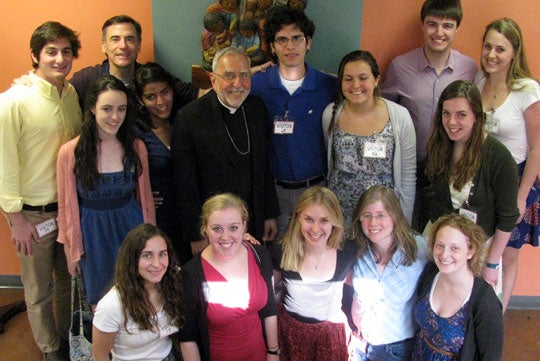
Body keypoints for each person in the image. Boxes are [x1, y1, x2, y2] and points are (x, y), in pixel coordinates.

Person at [0, 21, 81, 361]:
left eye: (65, 51)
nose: (59, 59)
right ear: (35, 55)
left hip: (68, 209)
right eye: (51, 52)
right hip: (32, 215)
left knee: (67, 283)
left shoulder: (71, 93)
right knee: (37, 291)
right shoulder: (12, 101)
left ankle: (65, 341)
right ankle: (50, 351)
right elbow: (4, 162)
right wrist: (15, 218)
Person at [57, 75, 155, 306]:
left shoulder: (136, 147)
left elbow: (145, 198)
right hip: (93, 235)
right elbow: (66, 206)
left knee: (138, 295)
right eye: (107, 109)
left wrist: (152, 241)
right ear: (92, 108)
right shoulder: (70, 152)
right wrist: (71, 249)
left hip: (131, 227)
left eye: (121, 109)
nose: (115, 117)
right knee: (101, 302)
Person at [171, 47, 279, 257]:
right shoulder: (190, 117)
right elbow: (184, 184)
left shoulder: (256, 108)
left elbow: (264, 166)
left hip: (252, 220)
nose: (237, 84)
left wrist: (269, 214)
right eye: (229, 76)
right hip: (214, 229)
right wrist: (196, 235)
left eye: (244, 76)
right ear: (213, 80)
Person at [382, 0, 477, 232]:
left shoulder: (470, 69)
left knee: (447, 233)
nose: (439, 32)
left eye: (447, 26)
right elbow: (385, 115)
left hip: (452, 169)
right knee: (408, 230)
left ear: (457, 28)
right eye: (432, 24)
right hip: (411, 168)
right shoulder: (400, 66)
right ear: (422, 26)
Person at [424, 80, 519, 294]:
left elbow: (508, 217)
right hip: (443, 246)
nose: (451, 121)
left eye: (461, 115)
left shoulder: (499, 158)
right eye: (446, 114)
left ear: (477, 116)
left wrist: (492, 263)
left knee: (476, 312)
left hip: (479, 250)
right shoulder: (440, 146)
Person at [251, 7, 337, 235]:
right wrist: (246, 72)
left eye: (297, 38)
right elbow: (215, 92)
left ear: (308, 42)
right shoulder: (256, 84)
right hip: (274, 192)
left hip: (317, 189)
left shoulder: (328, 86)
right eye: (282, 40)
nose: (290, 47)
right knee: (278, 259)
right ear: (271, 46)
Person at [474, 18, 540, 313]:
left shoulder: (528, 90)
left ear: (514, 52)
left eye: (500, 48)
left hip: (516, 181)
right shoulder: (478, 81)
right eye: (487, 46)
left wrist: (521, 195)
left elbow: (537, 148)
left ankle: (497, 316)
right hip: (482, 178)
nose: (491, 54)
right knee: (480, 249)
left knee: (507, 255)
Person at [178, 193, 278, 361]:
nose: (225, 237)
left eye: (233, 228)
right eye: (217, 229)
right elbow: (188, 337)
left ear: (244, 226)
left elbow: (269, 308)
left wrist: (273, 351)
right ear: (205, 228)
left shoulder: (259, 254)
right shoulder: (191, 274)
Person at [322, 50, 416, 230]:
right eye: (348, 79)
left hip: (382, 218)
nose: (356, 85)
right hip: (341, 217)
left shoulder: (399, 116)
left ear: (376, 80)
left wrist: (403, 225)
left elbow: (408, 177)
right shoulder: (330, 115)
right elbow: (330, 165)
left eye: (363, 77)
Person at [270, 186, 356, 361]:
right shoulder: (283, 250)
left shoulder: (347, 252)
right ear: (298, 218)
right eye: (308, 219)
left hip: (331, 333)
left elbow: (357, 292)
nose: (316, 229)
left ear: (335, 221)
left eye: (324, 220)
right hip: (291, 334)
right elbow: (268, 293)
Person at [348, 185, 428, 361]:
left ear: (395, 217)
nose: (373, 223)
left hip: (396, 349)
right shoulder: (357, 250)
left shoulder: (419, 249)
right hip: (361, 344)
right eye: (366, 215)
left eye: (380, 215)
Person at [412, 213, 504, 360]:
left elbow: (490, 356)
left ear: (470, 251)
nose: (444, 255)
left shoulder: (485, 302)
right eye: (440, 245)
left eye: (455, 248)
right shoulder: (430, 273)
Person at [70, 15, 201, 112]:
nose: (123, 46)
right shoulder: (86, 80)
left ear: (139, 45)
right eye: (115, 39)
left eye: (130, 39)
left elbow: (196, 94)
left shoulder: (151, 77)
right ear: (104, 46)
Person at [92, 223, 183, 361]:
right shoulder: (111, 306)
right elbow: (100, 355)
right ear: (132, 259)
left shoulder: (172, 283)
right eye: (147, 255)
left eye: (162, 254)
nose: (157, 264)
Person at [133, 62, 191, 264]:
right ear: (140, 100)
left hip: (188, 213)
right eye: (151, 96)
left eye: (165, 92)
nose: (160, 101)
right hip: (158, 217)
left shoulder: (184, 121)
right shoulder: (137, 133)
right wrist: (140, 197)